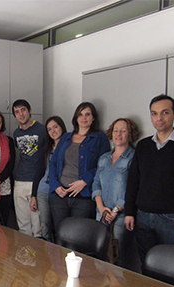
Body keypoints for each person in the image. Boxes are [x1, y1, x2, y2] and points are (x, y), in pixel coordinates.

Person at [124, 94, 174, 263]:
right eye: (154, 113)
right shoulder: (143, 146)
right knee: (147, 264)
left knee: (171, 266)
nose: (159, 118)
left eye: (165, 112)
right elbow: (133, 181)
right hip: (142, 216)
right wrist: (129, 212)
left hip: (172, 218)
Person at [49, 102, 110, 234]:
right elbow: (53, 163)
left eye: (87, 114)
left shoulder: (99, 138)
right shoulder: (66, 137)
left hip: (83, 197)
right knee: (60, 235)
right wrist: (55, 186)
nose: (84, 118)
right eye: (80, 114)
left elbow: (104, 166)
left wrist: (84, 181)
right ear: (76, 118)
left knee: (78, 236)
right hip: (60, 195)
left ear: (93, 117)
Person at [92, 118, 140, 269]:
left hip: (120, 216)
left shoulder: (134, 157)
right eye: (115, 130)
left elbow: (133, 187)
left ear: (130, 134)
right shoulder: (104, 158)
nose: (118, 134)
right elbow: (96, 183)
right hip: (101, 214)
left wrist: (115, 210)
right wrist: (101, 207)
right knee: (100, 255)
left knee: (117, 258)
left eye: (123, 130)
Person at [12, 99, 46, 237]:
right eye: (17, 112)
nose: (21, 114)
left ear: (30, 111)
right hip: (20, 181)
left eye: (23, 110)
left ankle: (38, 257)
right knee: (23, 225)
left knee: (37, 224)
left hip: (37, 181)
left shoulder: (42, 129)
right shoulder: (16, 133)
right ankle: (25, 257)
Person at [30, 116, 67, 241]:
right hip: (43, 190)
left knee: (60, 228)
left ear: (62, 127)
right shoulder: (46, 149)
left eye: (55, 127)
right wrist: (33, 195)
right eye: (49, 129)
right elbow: (39, 172)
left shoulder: (69, 147)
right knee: (44, 226)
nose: (53, 131)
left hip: (60, 192)